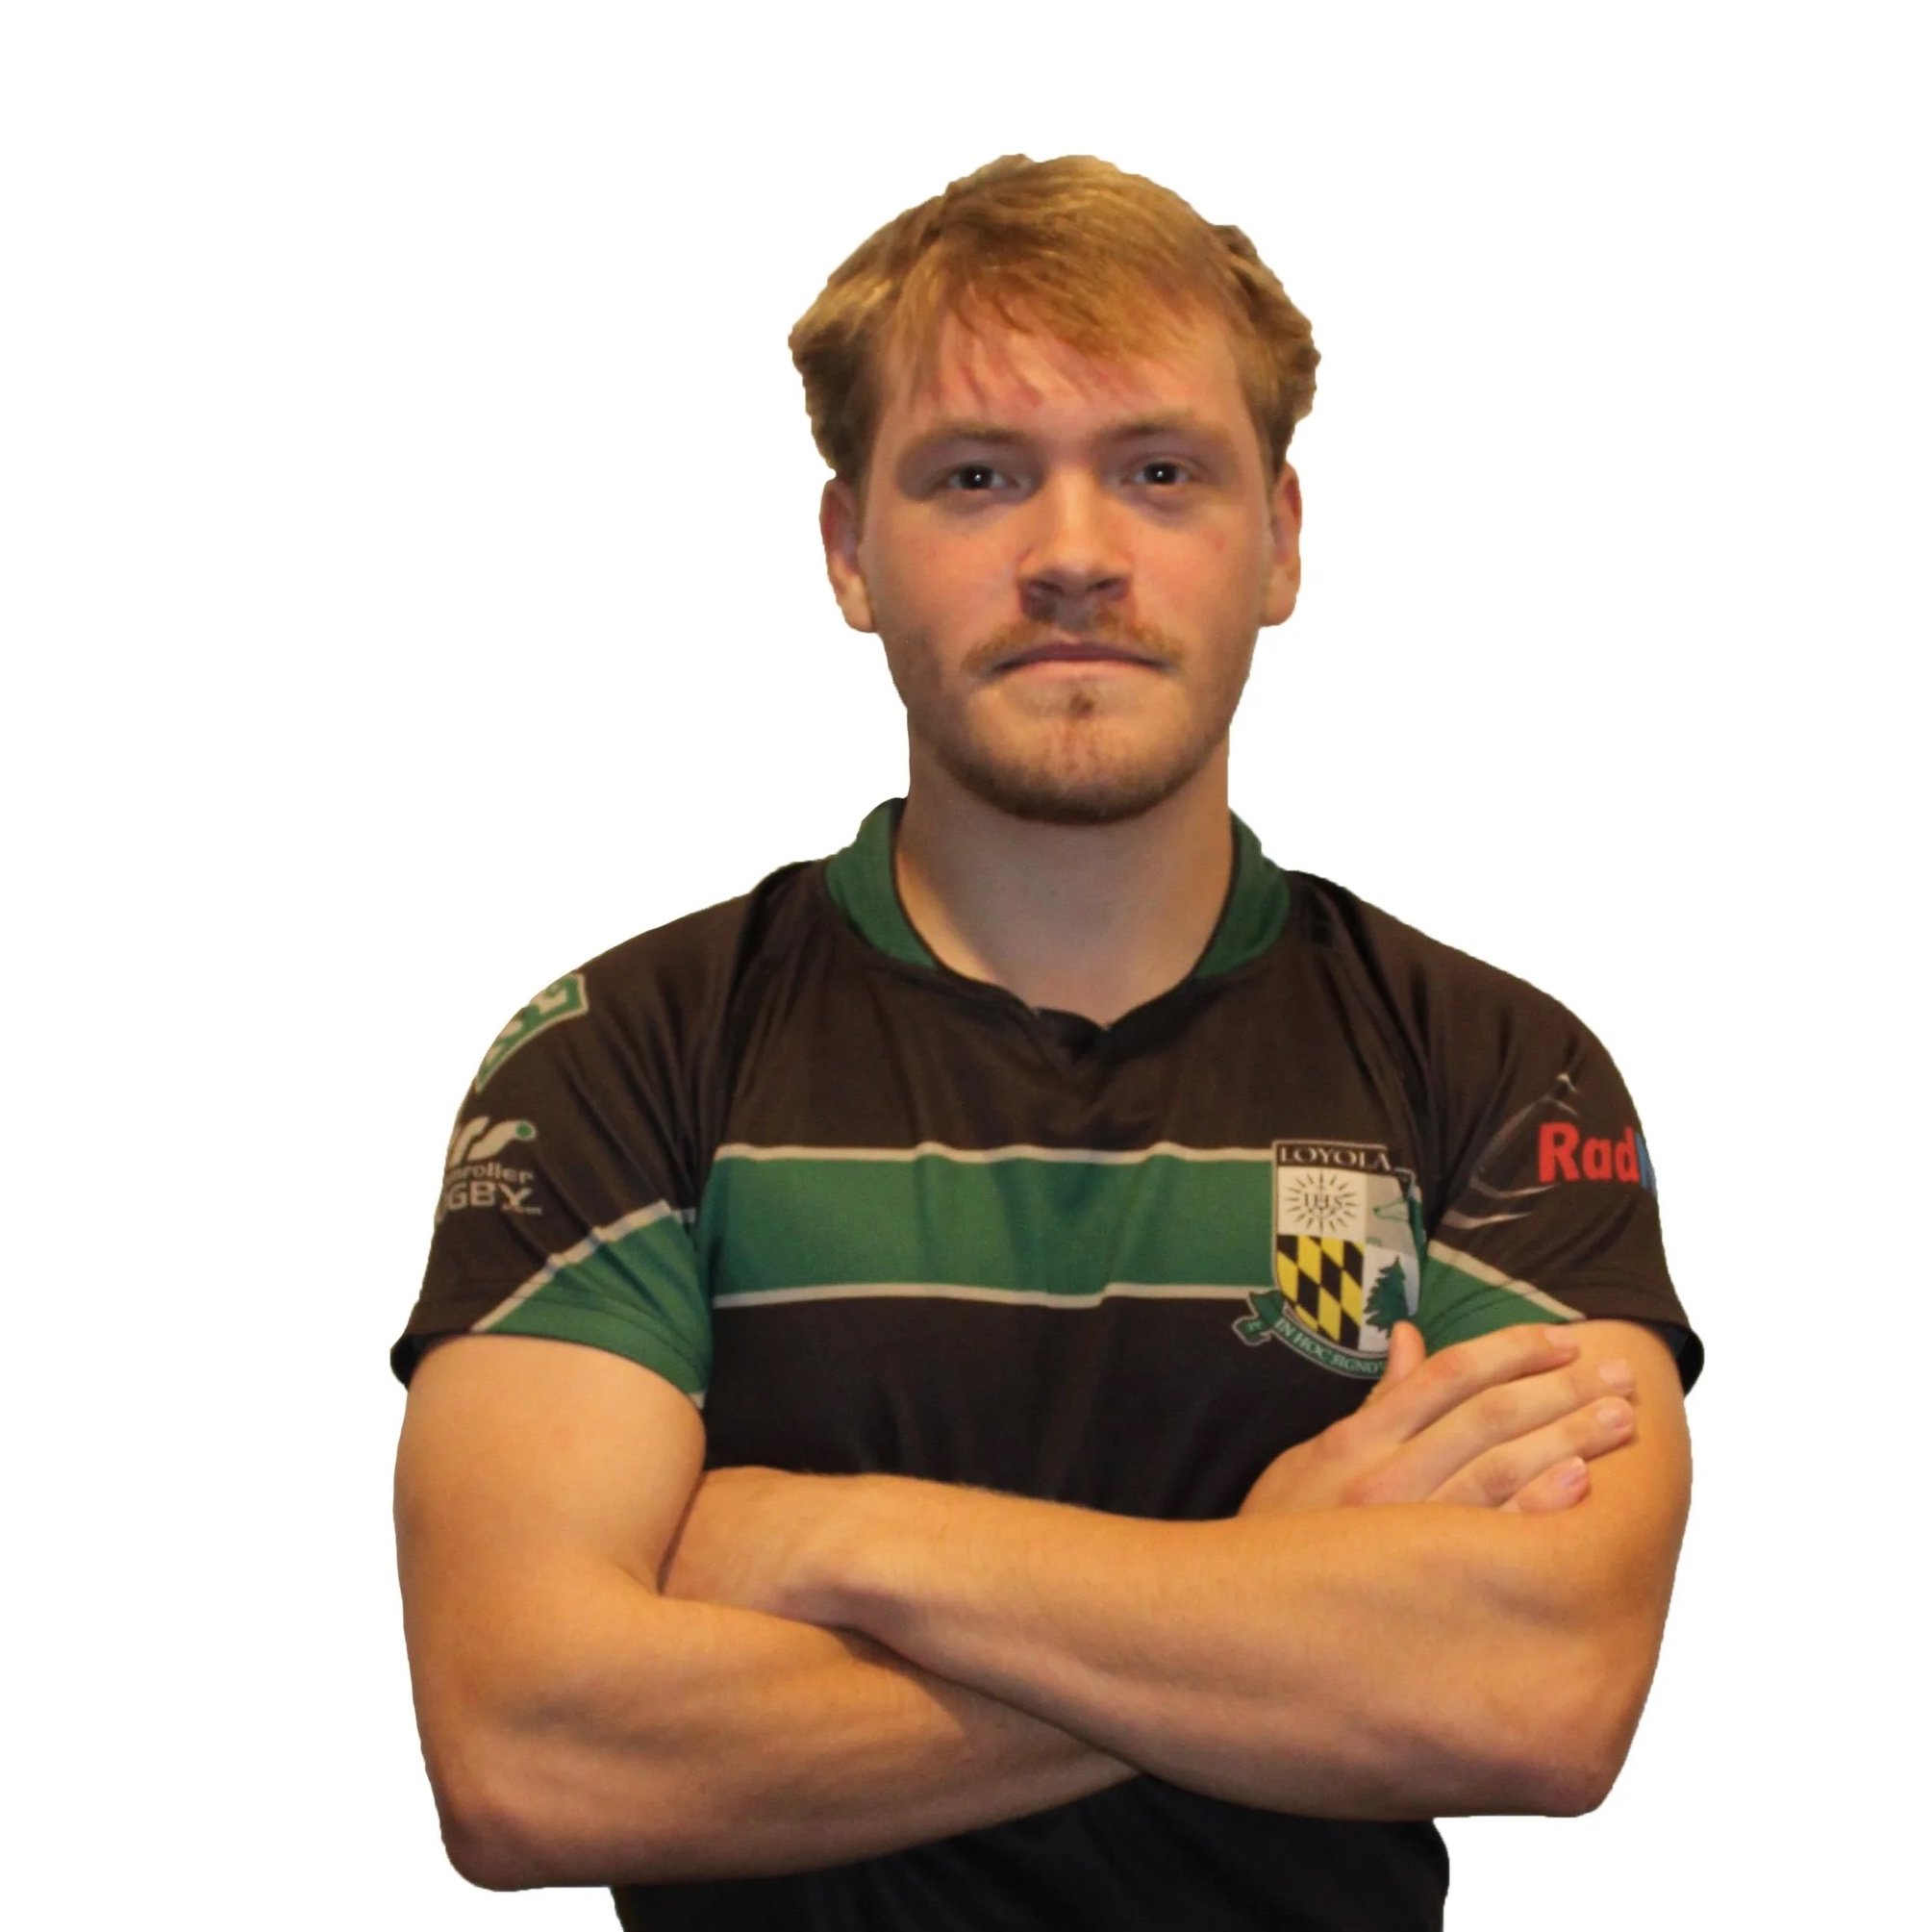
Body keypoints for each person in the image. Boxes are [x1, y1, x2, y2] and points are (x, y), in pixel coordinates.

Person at [390, 153, 1699, 1930]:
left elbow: (1533, 1695)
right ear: (852, 549)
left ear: (1281, 542)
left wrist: (825, 1537)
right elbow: (529, 1753)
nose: (1074, 554)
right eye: (977, 478)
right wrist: (1275, 1602)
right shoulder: (622, 1057)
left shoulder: (1493, 1067)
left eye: (1160, 473)